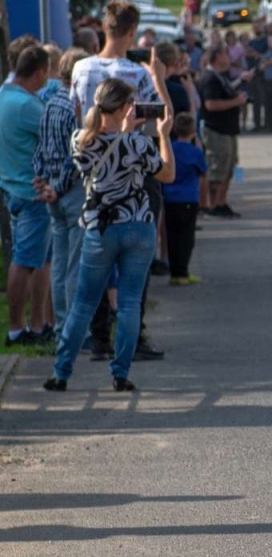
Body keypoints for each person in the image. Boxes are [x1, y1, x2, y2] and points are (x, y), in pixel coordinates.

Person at [44, 74, 176, 393]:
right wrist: (162, 135)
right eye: (131, 103)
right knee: (129, 303)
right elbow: (168, 174)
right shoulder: (138, 143)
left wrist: (122, 129)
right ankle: (120, 373)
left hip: (100, 230)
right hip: (139, 226)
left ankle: (61, 372)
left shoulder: (81, 141)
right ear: (123, 107)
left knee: (84, 303)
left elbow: (94, 151)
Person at [1, 44, 53, 346]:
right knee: (25, 261)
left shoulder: (5, 96)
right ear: (39, 72)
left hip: (12, 186)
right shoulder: (28, 106)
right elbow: (58, 133)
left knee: (39, 260)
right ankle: (18, 328)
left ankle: (37, 323)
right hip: (31, 192)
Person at [33, 47, 88, 327]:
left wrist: (42, 180)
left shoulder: (50, 104)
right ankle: (75, 328)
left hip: (51, 190)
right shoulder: (73, 108)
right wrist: (59, 186)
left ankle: (60, 325)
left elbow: (41, 147)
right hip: (70, 190)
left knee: (58, 263)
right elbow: (74, 155)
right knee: (75, 264)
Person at [71, 0, 159, 119]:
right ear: (132, 31)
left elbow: (75, 112)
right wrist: (158, 79)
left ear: (104, 26)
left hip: (87, 137)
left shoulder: (79, 67)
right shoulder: (139, 74)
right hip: (127, 137)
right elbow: (159, 121)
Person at [198, 44, 248, 218]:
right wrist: (236, 103)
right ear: (217, 57)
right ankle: (213, 204)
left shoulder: (221, 77)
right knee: (217, 167)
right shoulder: (209, 78)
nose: (229, 58)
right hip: (216, 130)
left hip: (229, 130)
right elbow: (210, 104)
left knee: (229, 166)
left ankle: (221, 202)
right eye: (225, 54)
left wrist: (241, 83)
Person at [163, 112, 206, 286]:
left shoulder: (170, 148)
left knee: (172, 236)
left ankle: (174, 271)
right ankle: (183, 271)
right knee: (186, 237)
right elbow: (203, 173)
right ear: (192, 131)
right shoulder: (195, 152)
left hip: (170, 198)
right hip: (188, 198)